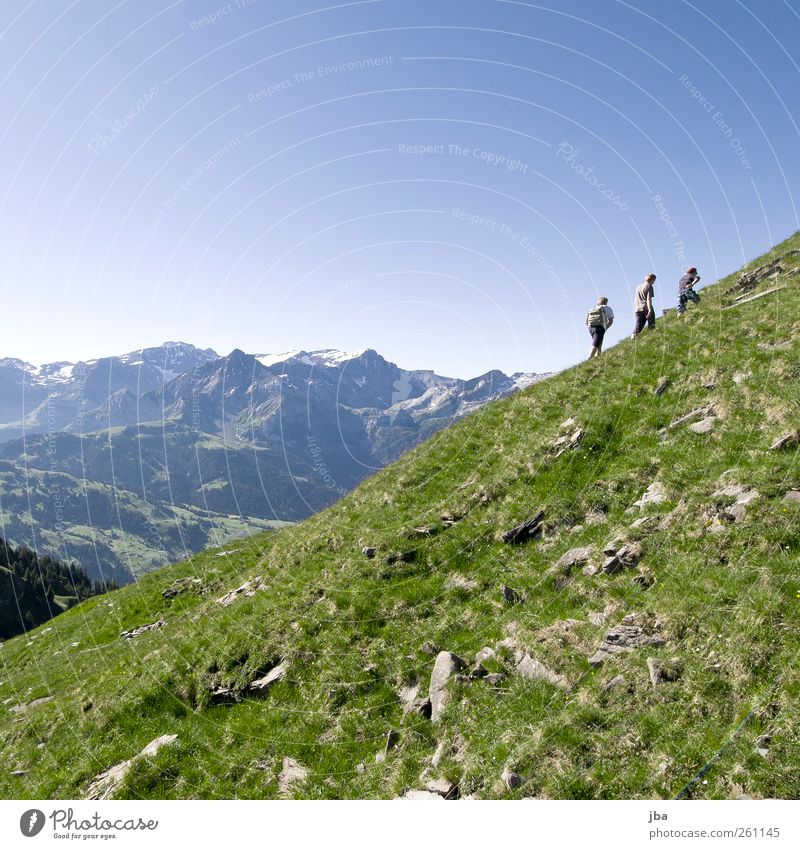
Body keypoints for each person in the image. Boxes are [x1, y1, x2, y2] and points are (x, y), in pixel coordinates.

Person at [632, 273, 656, 338]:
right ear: (652, 280)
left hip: (637, 308)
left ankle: (633, 336)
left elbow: (635, 298)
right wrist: (650, 310)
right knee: (651, 323)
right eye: (654, 281)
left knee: (639, 325)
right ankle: (651, 336)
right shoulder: (649, 286)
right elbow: (648, 298)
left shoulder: (638, 287)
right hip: (646, 307)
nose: (654, 282)